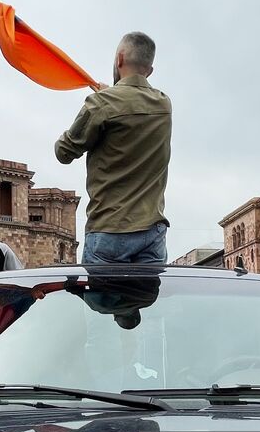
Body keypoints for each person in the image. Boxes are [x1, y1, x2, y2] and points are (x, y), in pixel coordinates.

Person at [54, 31, 172, 265]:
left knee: (103, 302)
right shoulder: (164, 104)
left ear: (119, 59)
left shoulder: (101, 103)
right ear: (149, 70)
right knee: (144, 300)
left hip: (109, 230)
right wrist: (109, 95)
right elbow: (131, 105)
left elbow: (64, 152)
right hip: (152, 233)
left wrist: (103, 99)